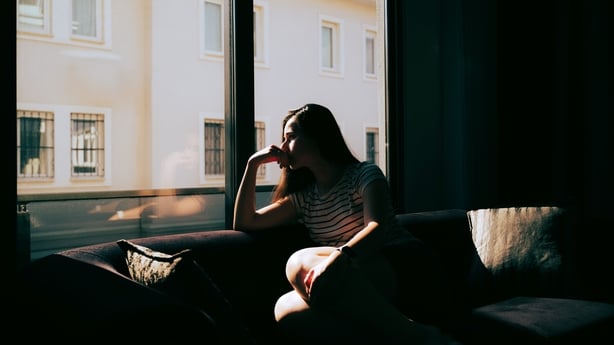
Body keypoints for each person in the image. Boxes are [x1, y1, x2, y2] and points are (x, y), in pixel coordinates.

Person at [233, 103, 456, 344]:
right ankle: (408, 334)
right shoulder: (304, 199)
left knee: (298, 263)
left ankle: (422, 337)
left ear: (317, 136)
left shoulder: (364, 174)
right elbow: (245, 222)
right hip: (350, 279)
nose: (283, 147)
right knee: (285, 309)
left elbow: (377, 228)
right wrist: (252, 164)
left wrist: (340, 258)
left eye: (291, 137)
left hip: (399, 263)